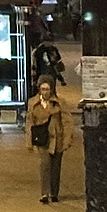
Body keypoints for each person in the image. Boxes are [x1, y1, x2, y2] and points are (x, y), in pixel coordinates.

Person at [27, 74, 73, 203]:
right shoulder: (33, 103)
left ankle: (54, 193)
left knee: (56, 167)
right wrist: (29, 141)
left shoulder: (59, 103)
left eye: (47, 89)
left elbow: (67, 122)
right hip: (42, 139)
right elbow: (30, 122)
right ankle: (44, 193)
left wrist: (67, 139)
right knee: (44, 165)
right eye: (43, 89)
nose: (45, 92)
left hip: (57, 139)